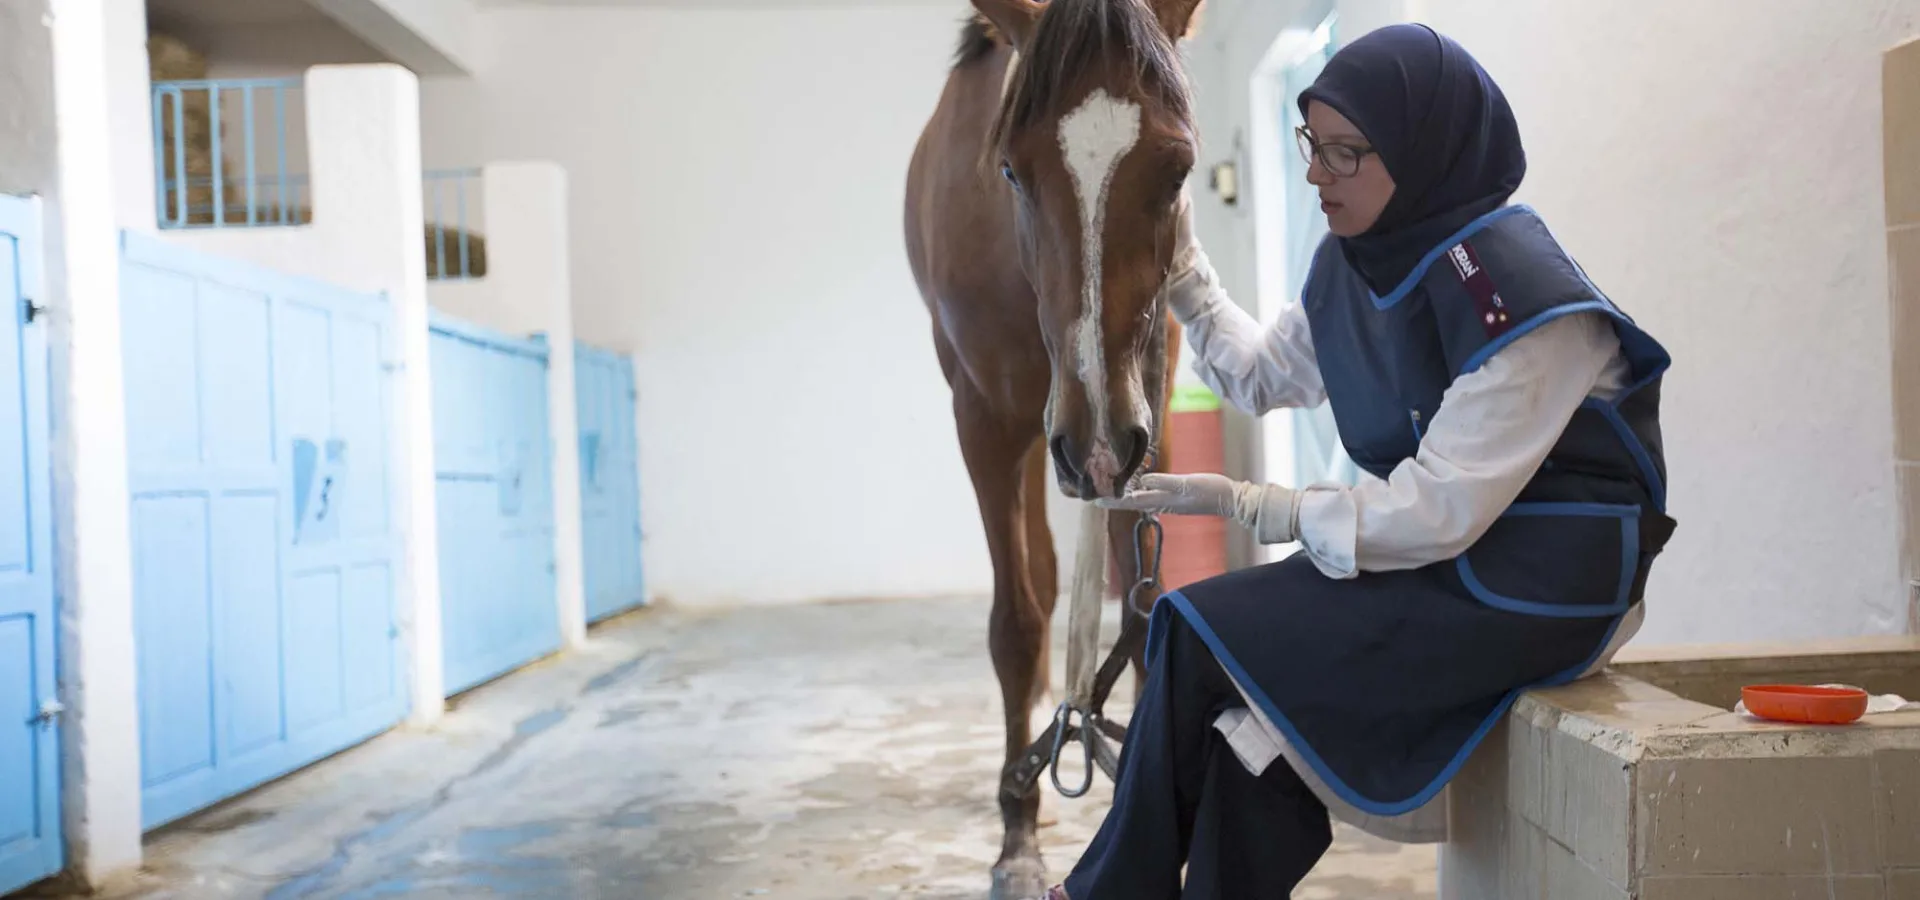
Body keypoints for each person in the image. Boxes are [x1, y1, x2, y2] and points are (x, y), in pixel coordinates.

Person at [1038, 22, 1678, 900]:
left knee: (1194, 633)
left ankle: (1101, 893)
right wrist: (1184, 271)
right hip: (1448, 561)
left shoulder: (1525, 300)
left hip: (1542, 584)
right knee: (1246, 742)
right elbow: (1264, 377)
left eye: (1344, 154)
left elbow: (1438, 509)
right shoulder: (1357, 264)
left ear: (1424, 152)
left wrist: (1254, 506)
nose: (1314, 175)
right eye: (1313, 146)